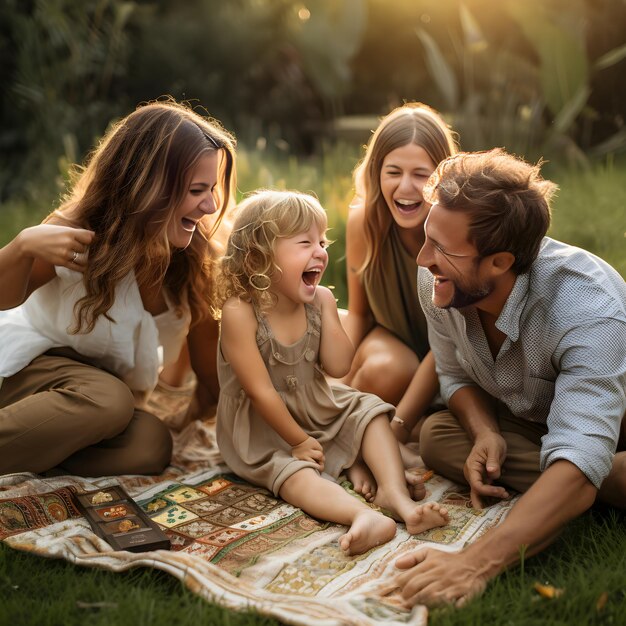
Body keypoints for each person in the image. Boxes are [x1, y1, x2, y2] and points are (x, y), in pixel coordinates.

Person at [391, 148, 626, 607]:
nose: (423, 258)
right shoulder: (440, 280)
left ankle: (585, 482)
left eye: (441, 248)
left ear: (499, 263)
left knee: (588, 467)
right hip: (531, 421)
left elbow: (582, 444)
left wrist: (473, 563)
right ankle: (579, 487)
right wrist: (484, 431)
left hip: (615, 426)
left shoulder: (590, 311)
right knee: (439, 435)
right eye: (426, 238)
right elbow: (452, 370)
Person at [0, 99, 237, 476]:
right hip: (23, 377)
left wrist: (259, 430)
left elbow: (212, 374)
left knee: (152, 443)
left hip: (95, 406)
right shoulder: (78, 229)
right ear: (150, 185)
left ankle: (33, 451)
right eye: (196, 190)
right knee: (110, 400)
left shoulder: (193, 256)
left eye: (211, 190)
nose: (210, 205)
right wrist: (23, 245)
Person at [215, 189, 449, 555]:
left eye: (322, 242)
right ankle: (361, 515)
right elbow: (260, 392)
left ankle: (398, 499)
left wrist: (326, 308)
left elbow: (340, 367)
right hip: (264, 425)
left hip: (315, 402)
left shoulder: (318, 300)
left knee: (368, 412)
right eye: (305, 243)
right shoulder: (240, 312)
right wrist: (297, 441)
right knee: (293, 475)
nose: (321, 252)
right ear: (260, 256)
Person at [340, 102, 458, 497]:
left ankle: (386, 433)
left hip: (451, 352)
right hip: (389, 337)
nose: (405, 188)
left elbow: (447, 344)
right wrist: (336, 382)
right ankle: (349, 430)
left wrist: (400, 424)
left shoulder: (455, 234)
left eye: (421, 175)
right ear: (377, 173)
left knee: (436, 420)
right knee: (385, 370)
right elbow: (358, 315)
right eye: (393, 172)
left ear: (441, 179)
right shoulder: (364, 221)